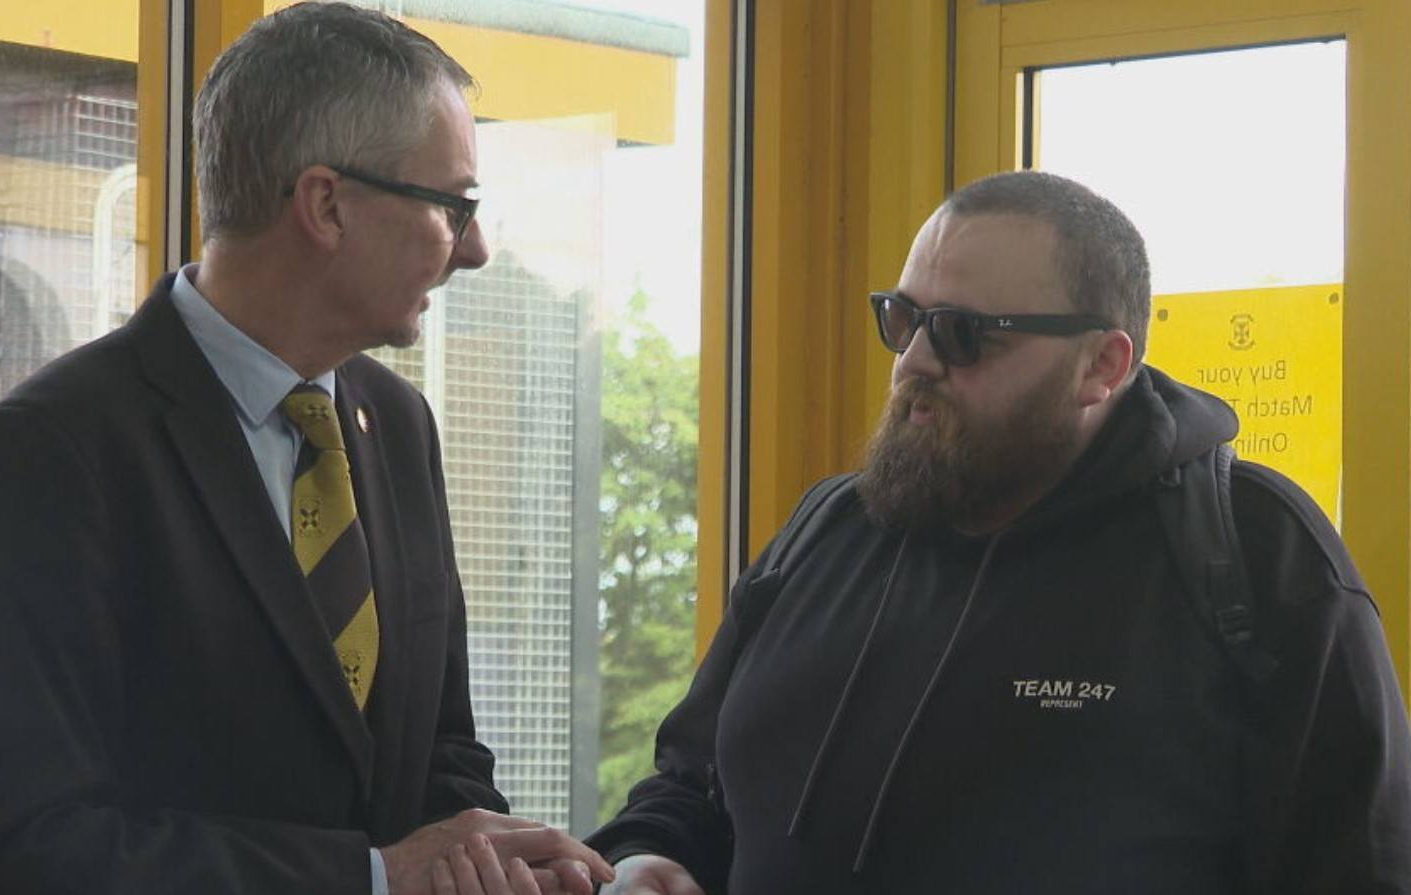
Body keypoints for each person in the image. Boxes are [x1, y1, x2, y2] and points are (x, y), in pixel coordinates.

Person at [0, 4, 612, 894]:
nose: (473, 249)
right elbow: (9, 855)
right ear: (325, 204)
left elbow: (436, 750)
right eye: (452, 205)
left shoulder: (399, 426)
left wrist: (491, 863)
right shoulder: (53, 450)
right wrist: (369, 877)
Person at [586, 170, 1411, 894]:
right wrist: (644, 854)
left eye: (963, 334)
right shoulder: (826, 530)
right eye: (902, 318)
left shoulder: (1256, 557)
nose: (913, 359)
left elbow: (1360, 869)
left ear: (1103, 367)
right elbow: (688, 782)